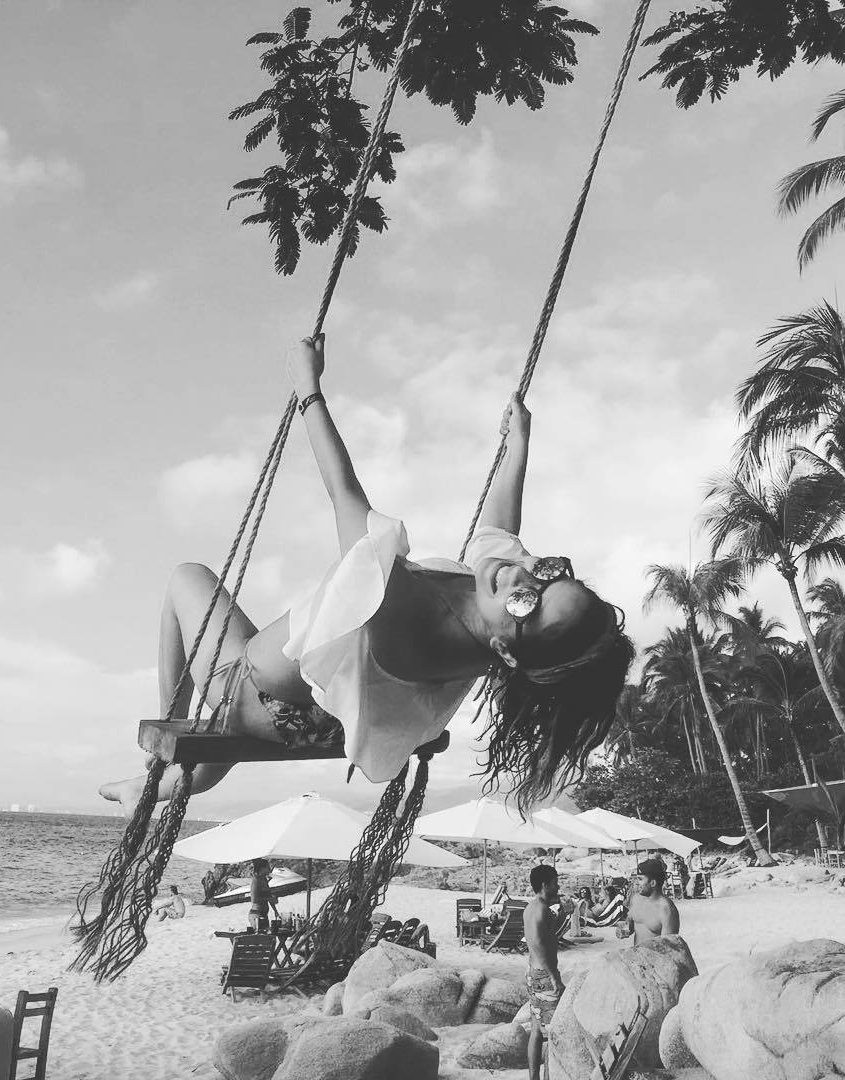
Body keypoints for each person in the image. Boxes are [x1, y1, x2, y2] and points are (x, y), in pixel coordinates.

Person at [99, 335, 635, 818]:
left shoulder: (403, 614)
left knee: (186, 579)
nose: (521, 579)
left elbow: (346, 498)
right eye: (547, 573)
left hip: (253, 696)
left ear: (509, 651)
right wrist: (519, 444)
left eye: (528, 604)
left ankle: (167, 737)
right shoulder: (490, 614)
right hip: (324, 713)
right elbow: (499, 530)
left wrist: (308, 389)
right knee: (239, 720)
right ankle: (154, 787)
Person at [524, 864, 564, 1080]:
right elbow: (539, 945)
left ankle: (534, 1077)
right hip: (544, 975)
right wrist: (553, 976)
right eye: (555, 883)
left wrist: (561, 915)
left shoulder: (531, 908)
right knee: (552, 1031)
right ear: (544, 885)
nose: (558, 887)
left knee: (536, 1030)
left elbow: (543, 934)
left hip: (532, 973)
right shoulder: (542, 910)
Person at [620, 860, 679, 945]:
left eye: (640, 879)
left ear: (652, 883)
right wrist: (625, 929)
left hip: (654, 954)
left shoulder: (666, 910)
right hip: (637, 952)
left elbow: (669, 947)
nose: (636, 883)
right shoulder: (636, 899)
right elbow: (630, 923)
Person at [248, 859, 279, 932]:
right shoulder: (256, 880)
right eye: (267, 867)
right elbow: (254, 899)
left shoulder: (264, 879)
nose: (269, 869)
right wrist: (269, 899)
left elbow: (268, 895)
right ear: (262, 868)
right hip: (256, 914)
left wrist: (275, 911)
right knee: (261, 936)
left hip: (264, 914)